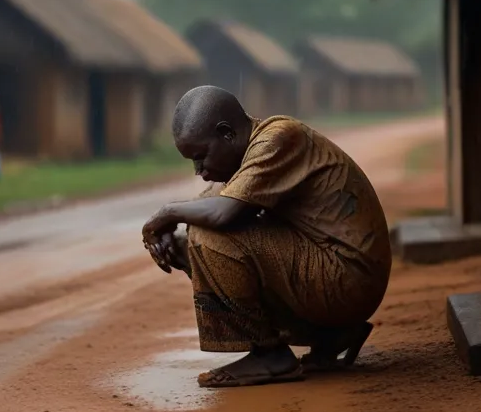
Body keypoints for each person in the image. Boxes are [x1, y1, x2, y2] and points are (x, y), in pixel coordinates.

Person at [142, 85, 392, 388]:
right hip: (335, 275)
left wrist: (168, 212)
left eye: (201, 156)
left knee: (208, 238)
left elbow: (221, 214)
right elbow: (210, 203)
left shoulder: (278, 138)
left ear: (227, 134)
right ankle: (330, 335)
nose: (199, 170)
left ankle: (270, 355)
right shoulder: (248, 155)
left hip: (349, 277)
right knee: (188, 243)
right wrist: (169, 229)